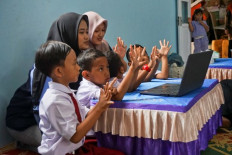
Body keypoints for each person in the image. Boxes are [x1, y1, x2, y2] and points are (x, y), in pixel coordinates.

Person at [5, 12, 89, 152]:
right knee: (60, 144)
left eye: (87, 31)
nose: (87, 36)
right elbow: (41, 108)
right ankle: (25, 143)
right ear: (68, 32)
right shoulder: (49, 67)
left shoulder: (74, 58)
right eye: (81, 32)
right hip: (26, 122)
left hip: (55, 118)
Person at [35, 41, 124, 155]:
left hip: (76, 148)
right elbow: (75, 136)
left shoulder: (66, 92)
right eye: (74, 64)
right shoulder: (55, 100)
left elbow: (86, 114)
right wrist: (99, 108)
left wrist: (103, 101)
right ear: (59, 71)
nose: (78, 68)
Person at [76, 47, 146, 108]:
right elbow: (117, 97)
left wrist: (114, 91)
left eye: (107, 67)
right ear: (87, 75)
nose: (107, 72)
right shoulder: (88, 88)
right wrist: (132, 68)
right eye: (101, 69)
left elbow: (117, 93)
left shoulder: (98, 83)